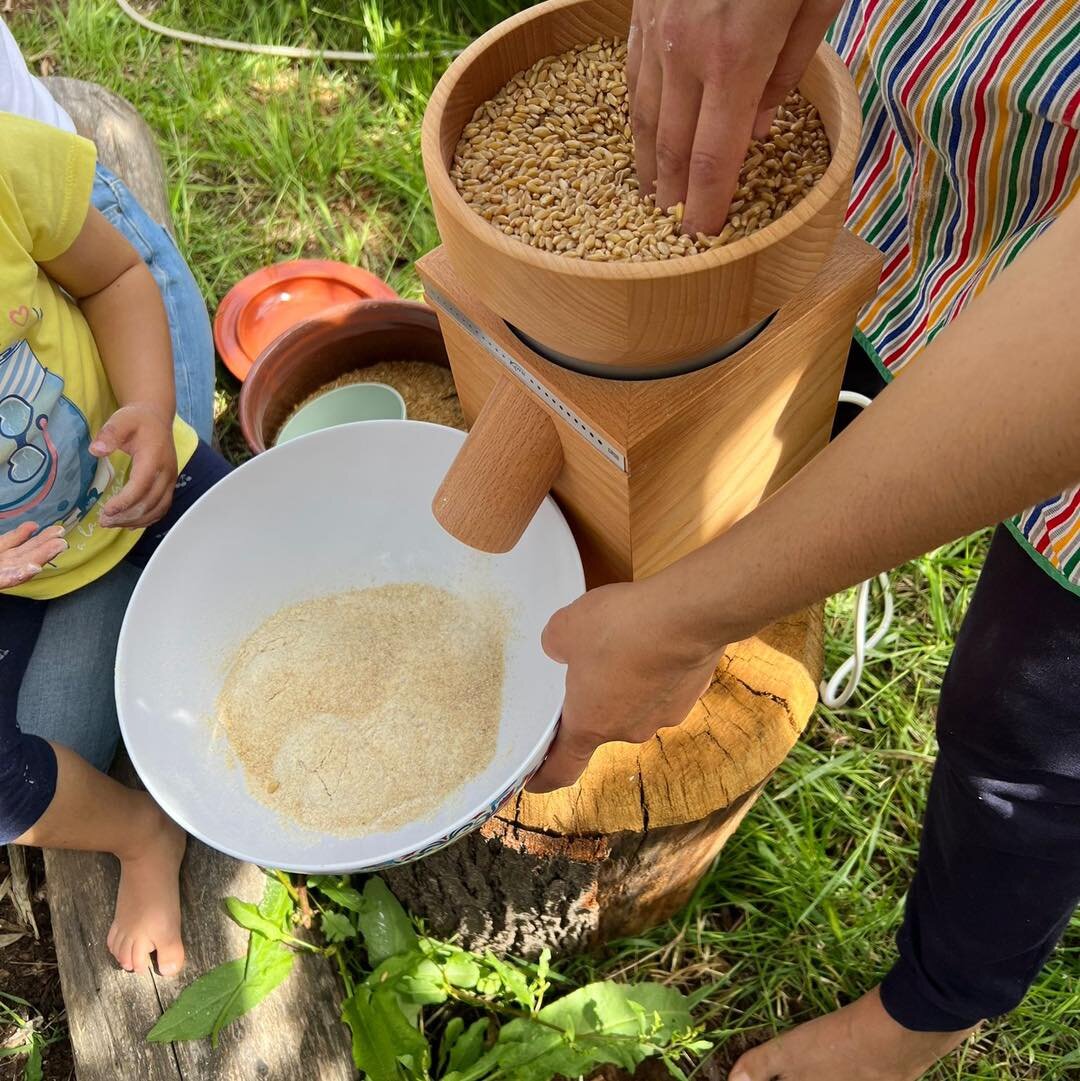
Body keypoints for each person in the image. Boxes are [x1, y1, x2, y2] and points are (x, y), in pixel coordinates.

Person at [526, 2, 1080, 1079]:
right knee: (793, 392)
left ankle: (925, 1015)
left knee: (1028, 727)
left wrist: (691, 614)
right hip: (957, 105)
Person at [0, 110, 231, 977]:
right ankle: (143, 834)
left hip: (136, 469)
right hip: (19, 580)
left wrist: (144, 401)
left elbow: (109, 280)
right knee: (21, 776)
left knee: (272, 570)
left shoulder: (6, 166)